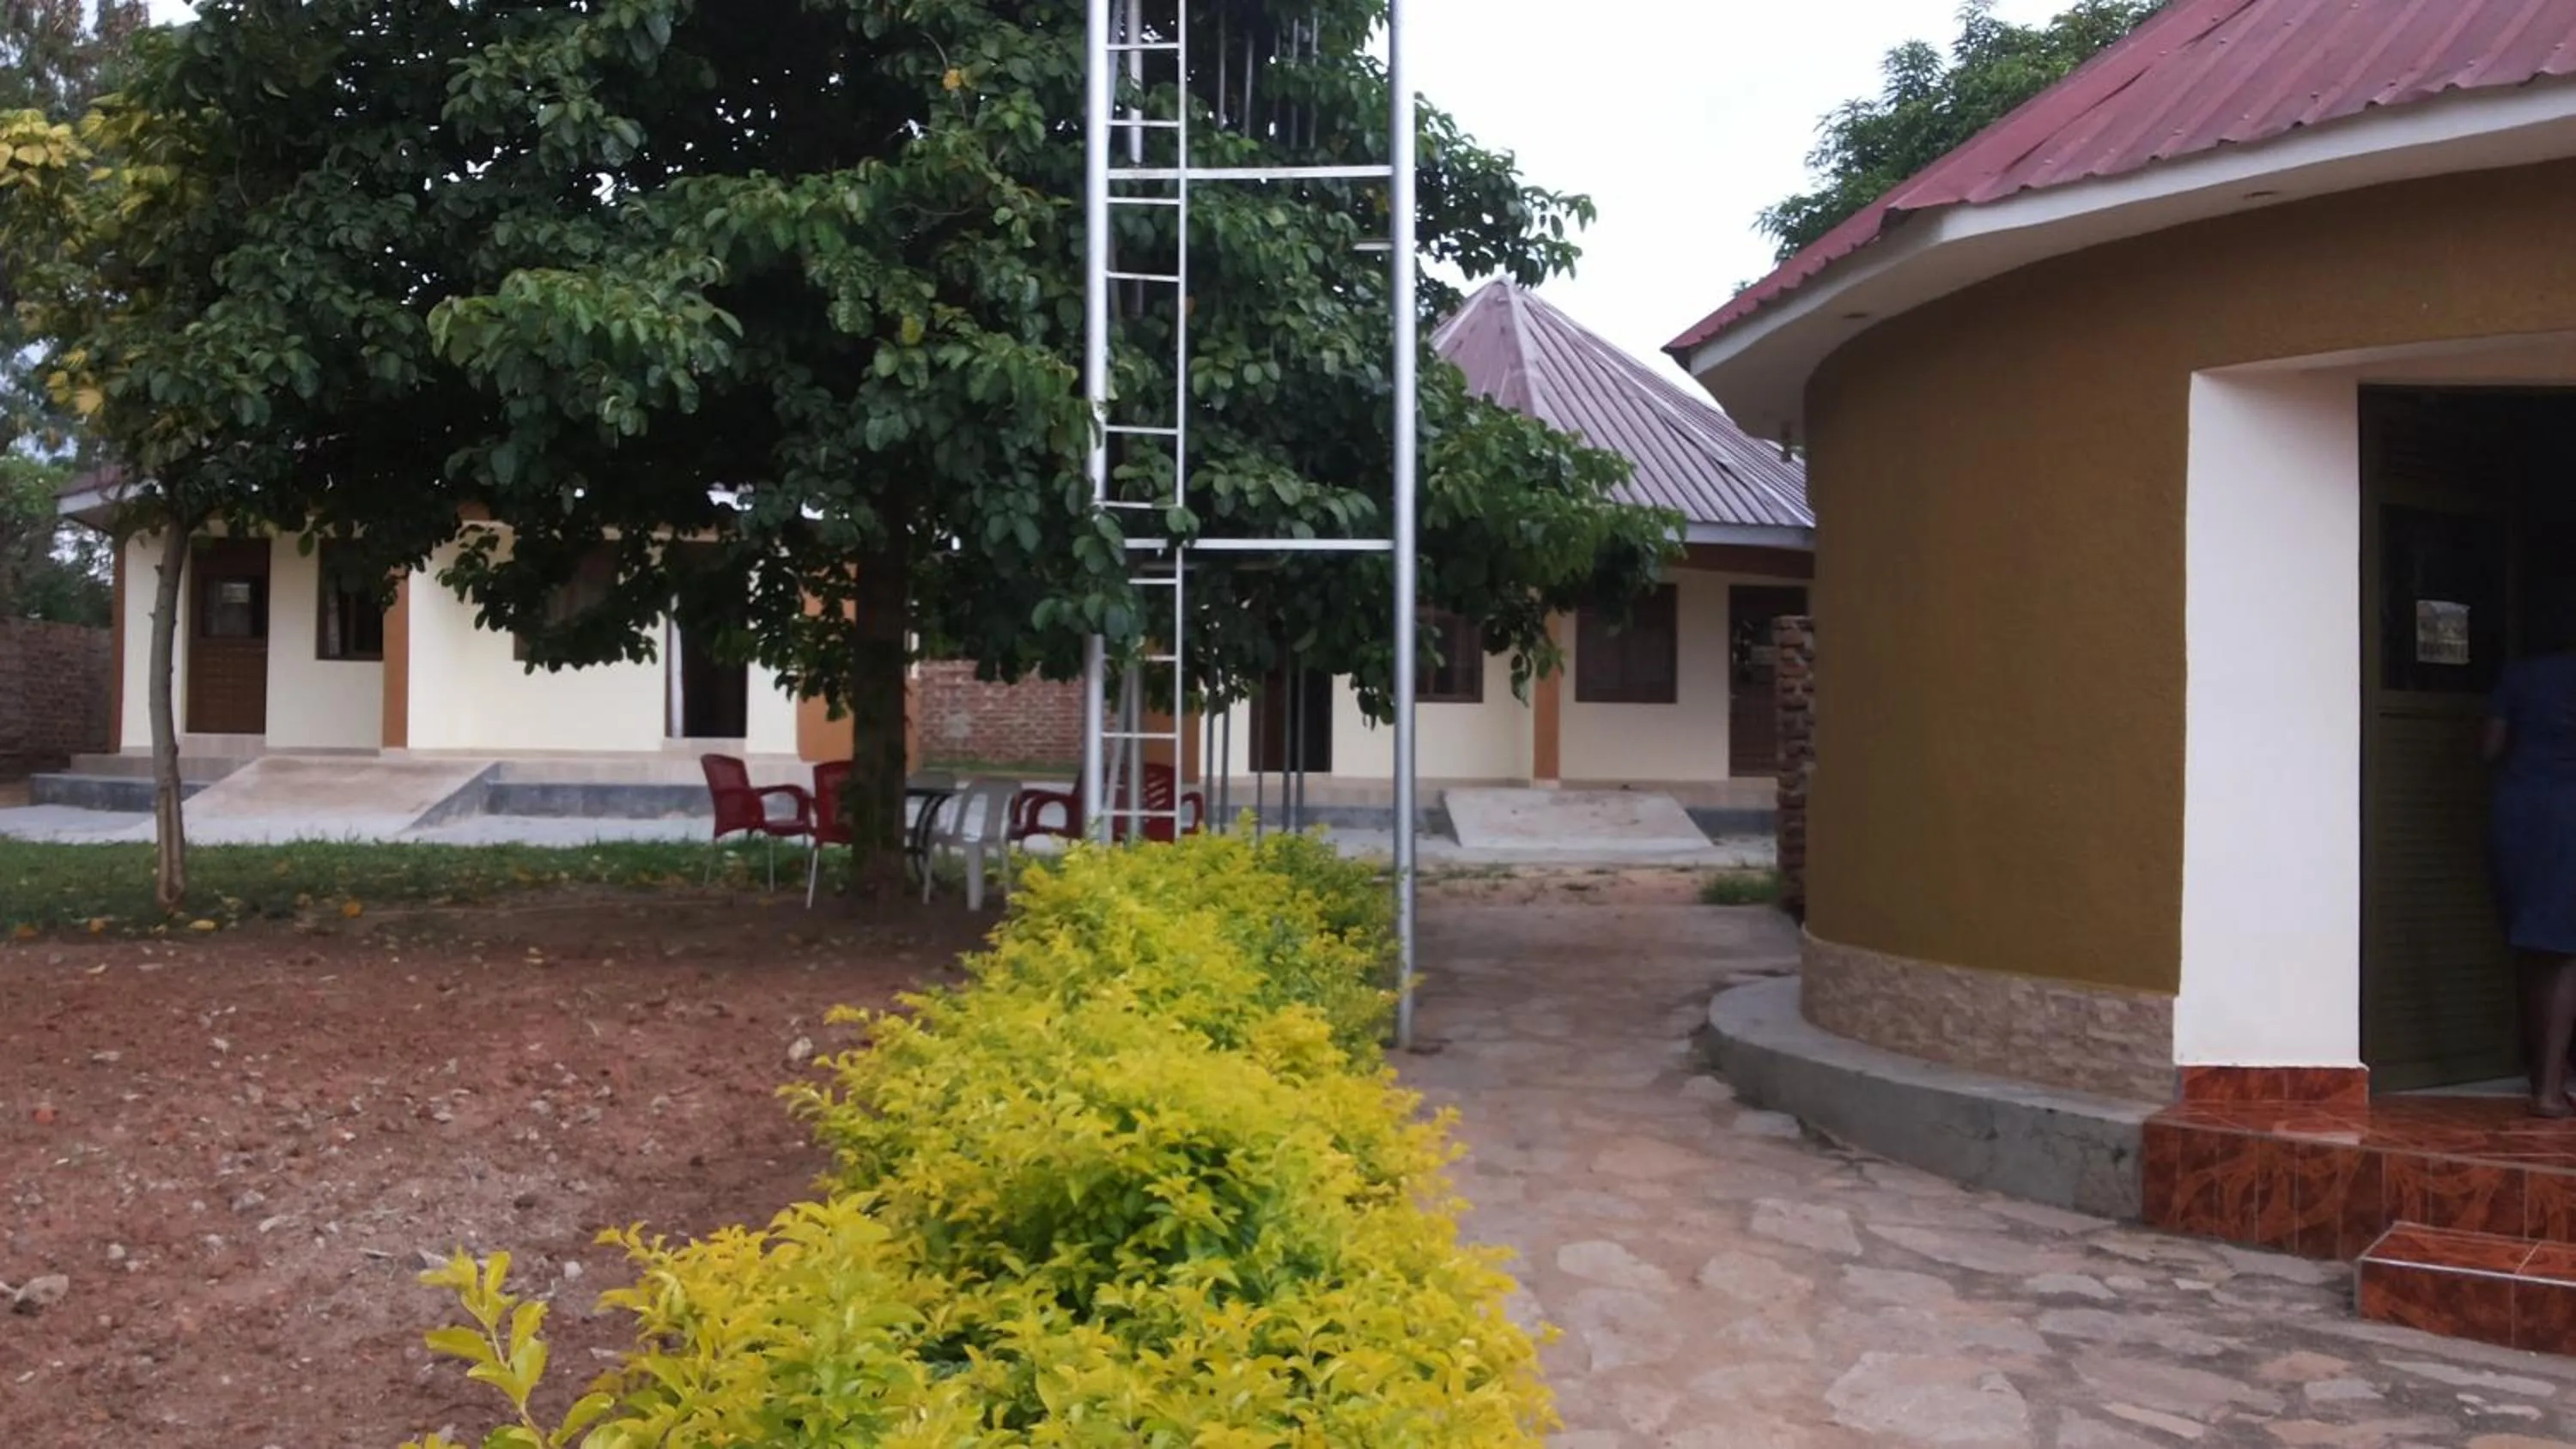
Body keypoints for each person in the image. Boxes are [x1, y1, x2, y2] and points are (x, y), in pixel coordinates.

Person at [2488, 600, 2576, 1117]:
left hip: (2517, 812)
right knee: (2565, 952)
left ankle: (2539, 1076)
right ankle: (2547, 1091)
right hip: (2569, 812)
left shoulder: (2519, 676)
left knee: (2532, 947)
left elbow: (2488, 747)